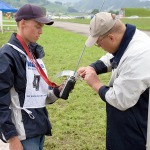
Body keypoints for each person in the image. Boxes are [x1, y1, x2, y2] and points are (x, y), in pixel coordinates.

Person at [77, 12, 150, 150]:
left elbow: (121, 99)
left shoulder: (139, 55)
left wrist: (96, 84)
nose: (100, 47)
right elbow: (112, 56)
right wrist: (92, 67)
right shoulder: (129, 38)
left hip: (136, 128)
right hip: (124, 123)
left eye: (99, 43)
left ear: (111, 38)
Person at [0, 4, 65, 150]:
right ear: (22, 23)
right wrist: (12, 137)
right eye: (37, 26)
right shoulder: (7, 55)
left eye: (42, 27)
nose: (41, 31)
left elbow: (36, 94)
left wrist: (57, 92)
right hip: (23, 135)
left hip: (39, 128)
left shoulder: (34, 53)